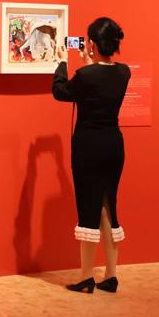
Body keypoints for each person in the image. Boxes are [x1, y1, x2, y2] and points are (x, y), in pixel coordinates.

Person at [52, 17, 131, 294]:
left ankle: (87, 277)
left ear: (92, 44)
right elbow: (100, 82)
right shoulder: (123, 72)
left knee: (88, 208)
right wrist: (89, 61)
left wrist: (61, 62)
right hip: (113, 145)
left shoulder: (87, 76)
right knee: (109, 206)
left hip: (88, 147)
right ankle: (111, 275)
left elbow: (61, 92)